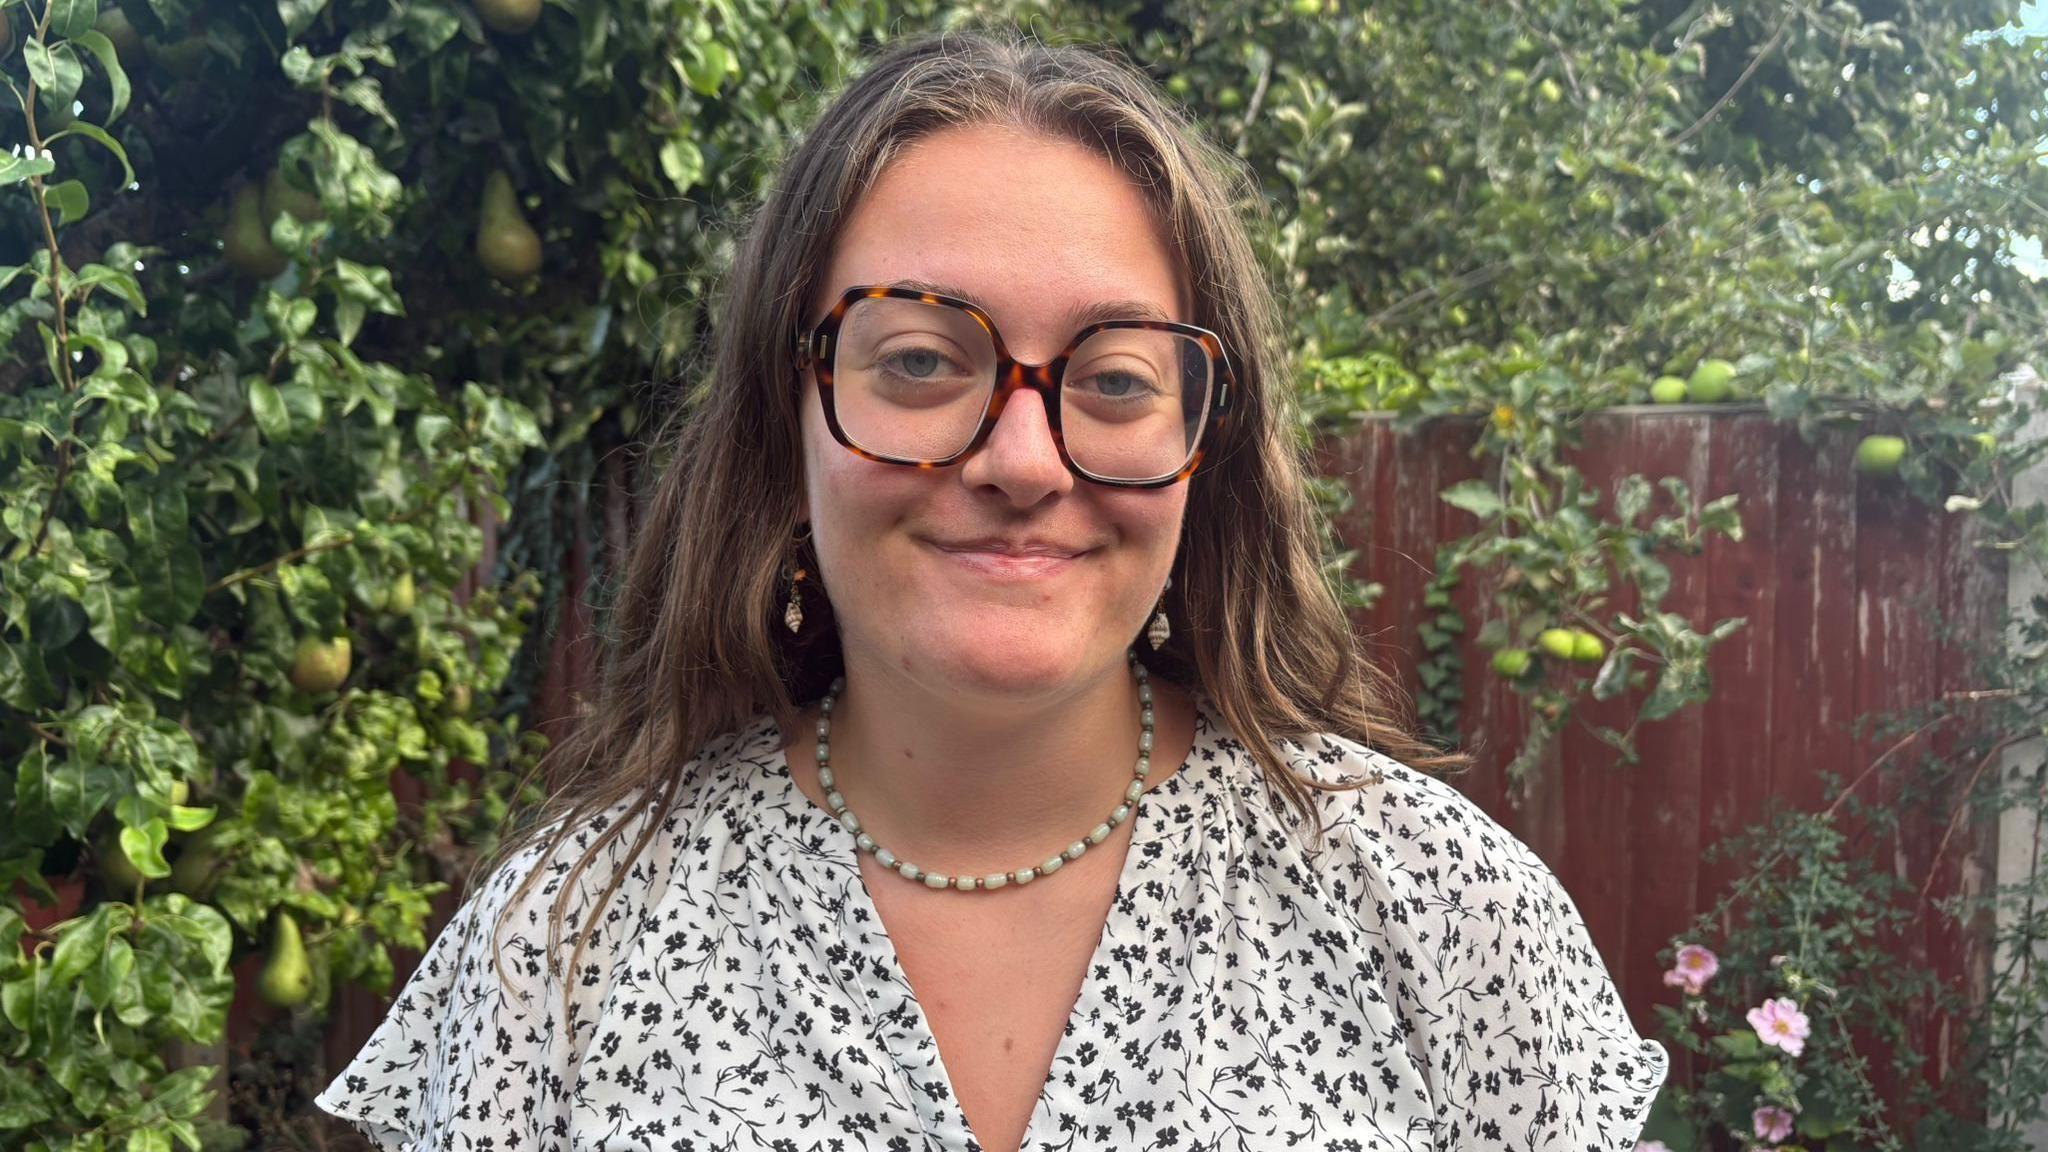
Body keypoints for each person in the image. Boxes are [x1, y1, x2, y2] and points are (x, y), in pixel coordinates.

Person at [315, 28, 1668, 1152]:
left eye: (1119, 377)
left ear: (1209, 448)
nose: (1021, 461)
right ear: (786, 423)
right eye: (916, 361)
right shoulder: (562, 944)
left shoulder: (1443, 914)